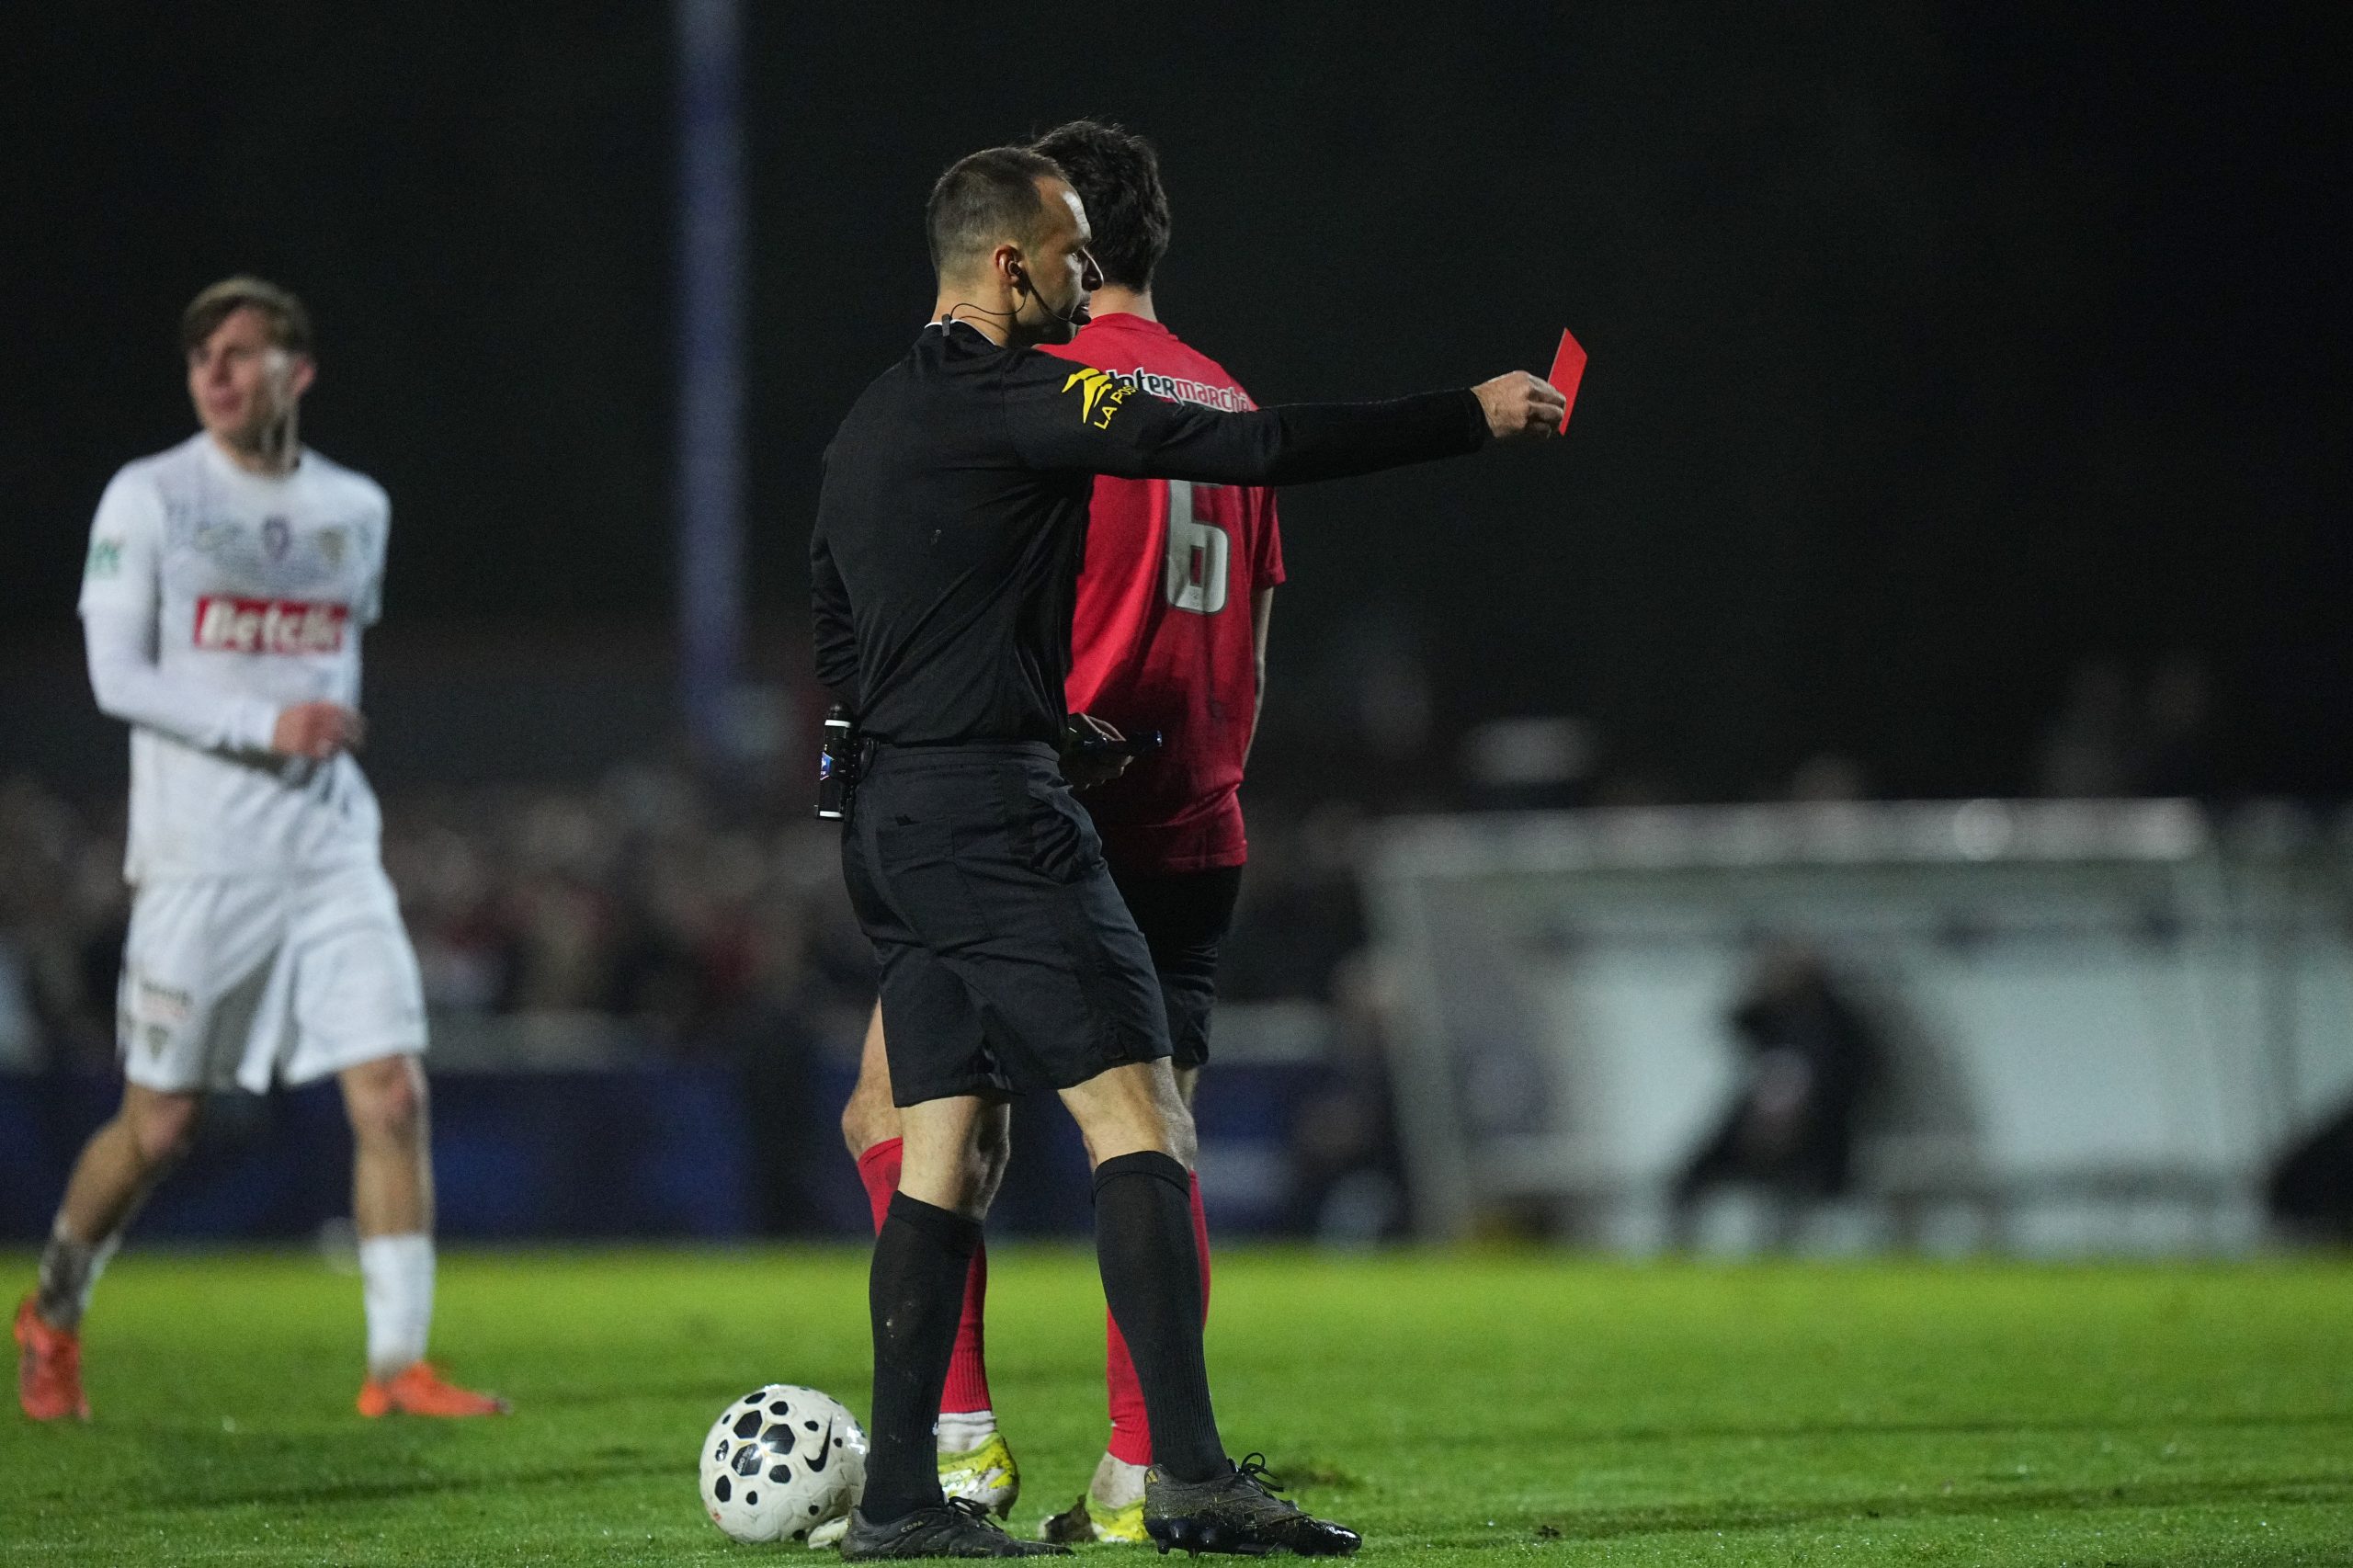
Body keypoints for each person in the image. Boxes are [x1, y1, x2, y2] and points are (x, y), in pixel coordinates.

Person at [811, 144, 1561, 1559]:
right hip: (1004, 821)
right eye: (1070, 252)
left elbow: (844, 635)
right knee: (1142, 1122)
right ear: (1011, 265)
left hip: (896, 825)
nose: (1088, 276)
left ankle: (905, 1499)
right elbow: (1258, 449)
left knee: (931, 1146)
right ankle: (1184, 1476)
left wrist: (982, 741)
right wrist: (1466, 414)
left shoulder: (867, 423)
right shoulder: (1042, 396)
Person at [832, 118, 1291, 1546]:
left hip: (1049, 808)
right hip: (1200, 811)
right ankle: (1140, 1467)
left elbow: (1024, 606)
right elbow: (1253, 638)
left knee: (909, 1118)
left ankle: (955, 1447)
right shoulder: (1220, 391)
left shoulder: (1052, 393)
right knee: (1155, 1124)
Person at [13, 278, 506, 1423]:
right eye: (201, 357)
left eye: (239, 352)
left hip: (330, 849)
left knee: (392, 1092)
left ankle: (397, 1366)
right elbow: (115, 675)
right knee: (160, 1126)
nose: (216, 373)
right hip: (200, 858)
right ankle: (54, 1308)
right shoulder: (150, 494)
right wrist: (263, 723)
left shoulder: (356, 507)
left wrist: (304, 731)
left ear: (299, 370)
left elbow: (325, 661)